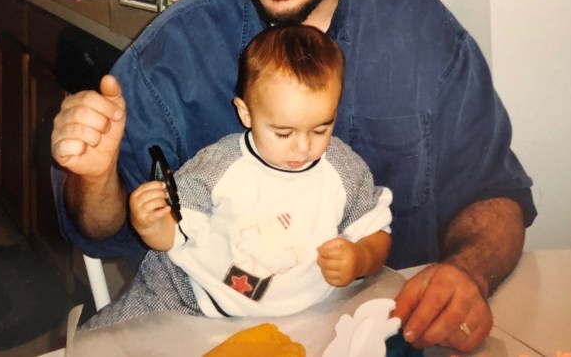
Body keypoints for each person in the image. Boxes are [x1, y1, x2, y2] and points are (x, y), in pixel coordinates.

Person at [51, 0, 536, 351]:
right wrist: (93, 178)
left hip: (391, 334)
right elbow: (102, 231)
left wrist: (468, 273)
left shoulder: (424, 34)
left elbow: (493, 193)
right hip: (224, 335)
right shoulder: (175, 53)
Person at [81, 25, 393, 329]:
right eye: (283, 132)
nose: (302, 146)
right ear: (246, 114)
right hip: (192, 296)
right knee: (106, 342)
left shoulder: (343, 171)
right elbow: (173, 235)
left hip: (299, 319)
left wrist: (360, 258)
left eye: (321, 128)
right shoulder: (220, 165)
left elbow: (377, 234)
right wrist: (149, 224)